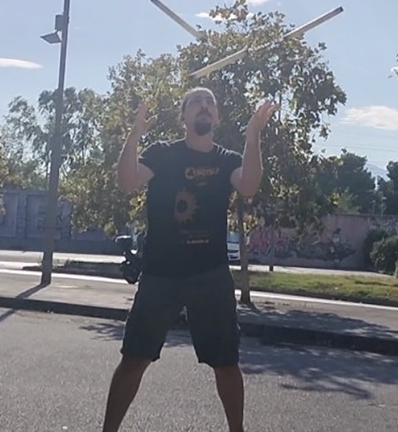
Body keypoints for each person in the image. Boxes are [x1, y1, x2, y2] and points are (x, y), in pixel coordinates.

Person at [102, 87, 276, 432]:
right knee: (134, 357)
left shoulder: (225, 159)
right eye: (196, 102)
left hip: (209, 276)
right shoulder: (163, 154)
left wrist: (253, 134)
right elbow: (127, 182)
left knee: (226, 362)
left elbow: (249, 185)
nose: (204, 106)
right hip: (161, 274)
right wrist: (135, 134)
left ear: (217, 117)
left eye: (210, 102)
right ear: (184, 117)